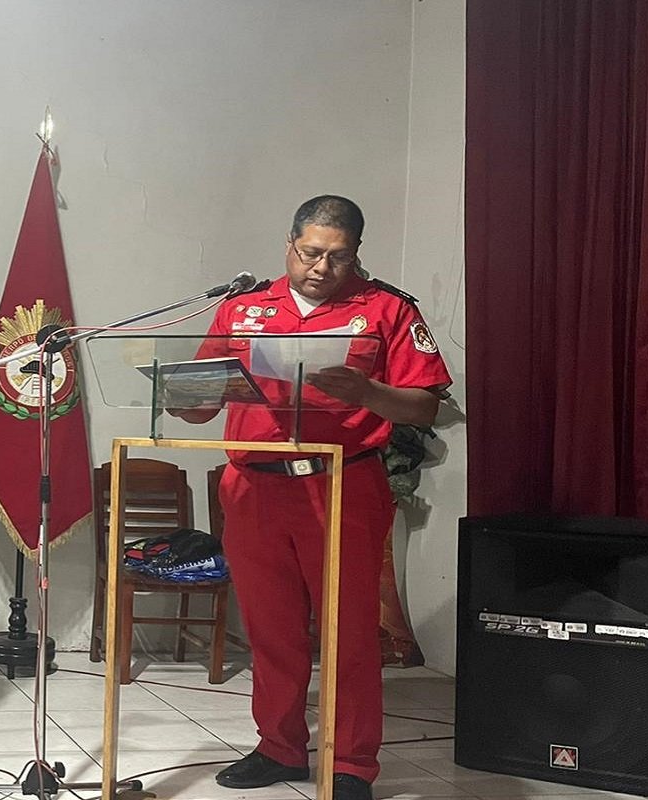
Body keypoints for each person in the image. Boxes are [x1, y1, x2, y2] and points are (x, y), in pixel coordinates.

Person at [172, 196, 450, 800]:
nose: (322, 268)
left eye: (339, 256)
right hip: (253, 487)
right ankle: (279, 748)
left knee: (347, 629)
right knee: (271, 628)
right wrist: (177, 396)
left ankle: (351, 763)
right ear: (290, 244)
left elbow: (424, 404)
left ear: (356, 253)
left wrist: (368, 391)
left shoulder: (385, 310)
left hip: (343, 483)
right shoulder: (243, 309)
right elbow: (197, 402)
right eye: (311, 253)